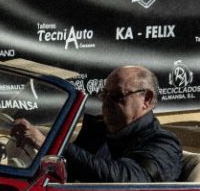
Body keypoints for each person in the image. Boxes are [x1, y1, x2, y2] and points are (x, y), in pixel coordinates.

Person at [11, 65, 182, 183]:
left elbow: (129, 181)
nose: (106, 102)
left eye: (116, 95)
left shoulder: (164, 143)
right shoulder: (98, 130)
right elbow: (69, 170)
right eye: (104, 94)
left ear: (147, 99)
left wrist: (49, 144)